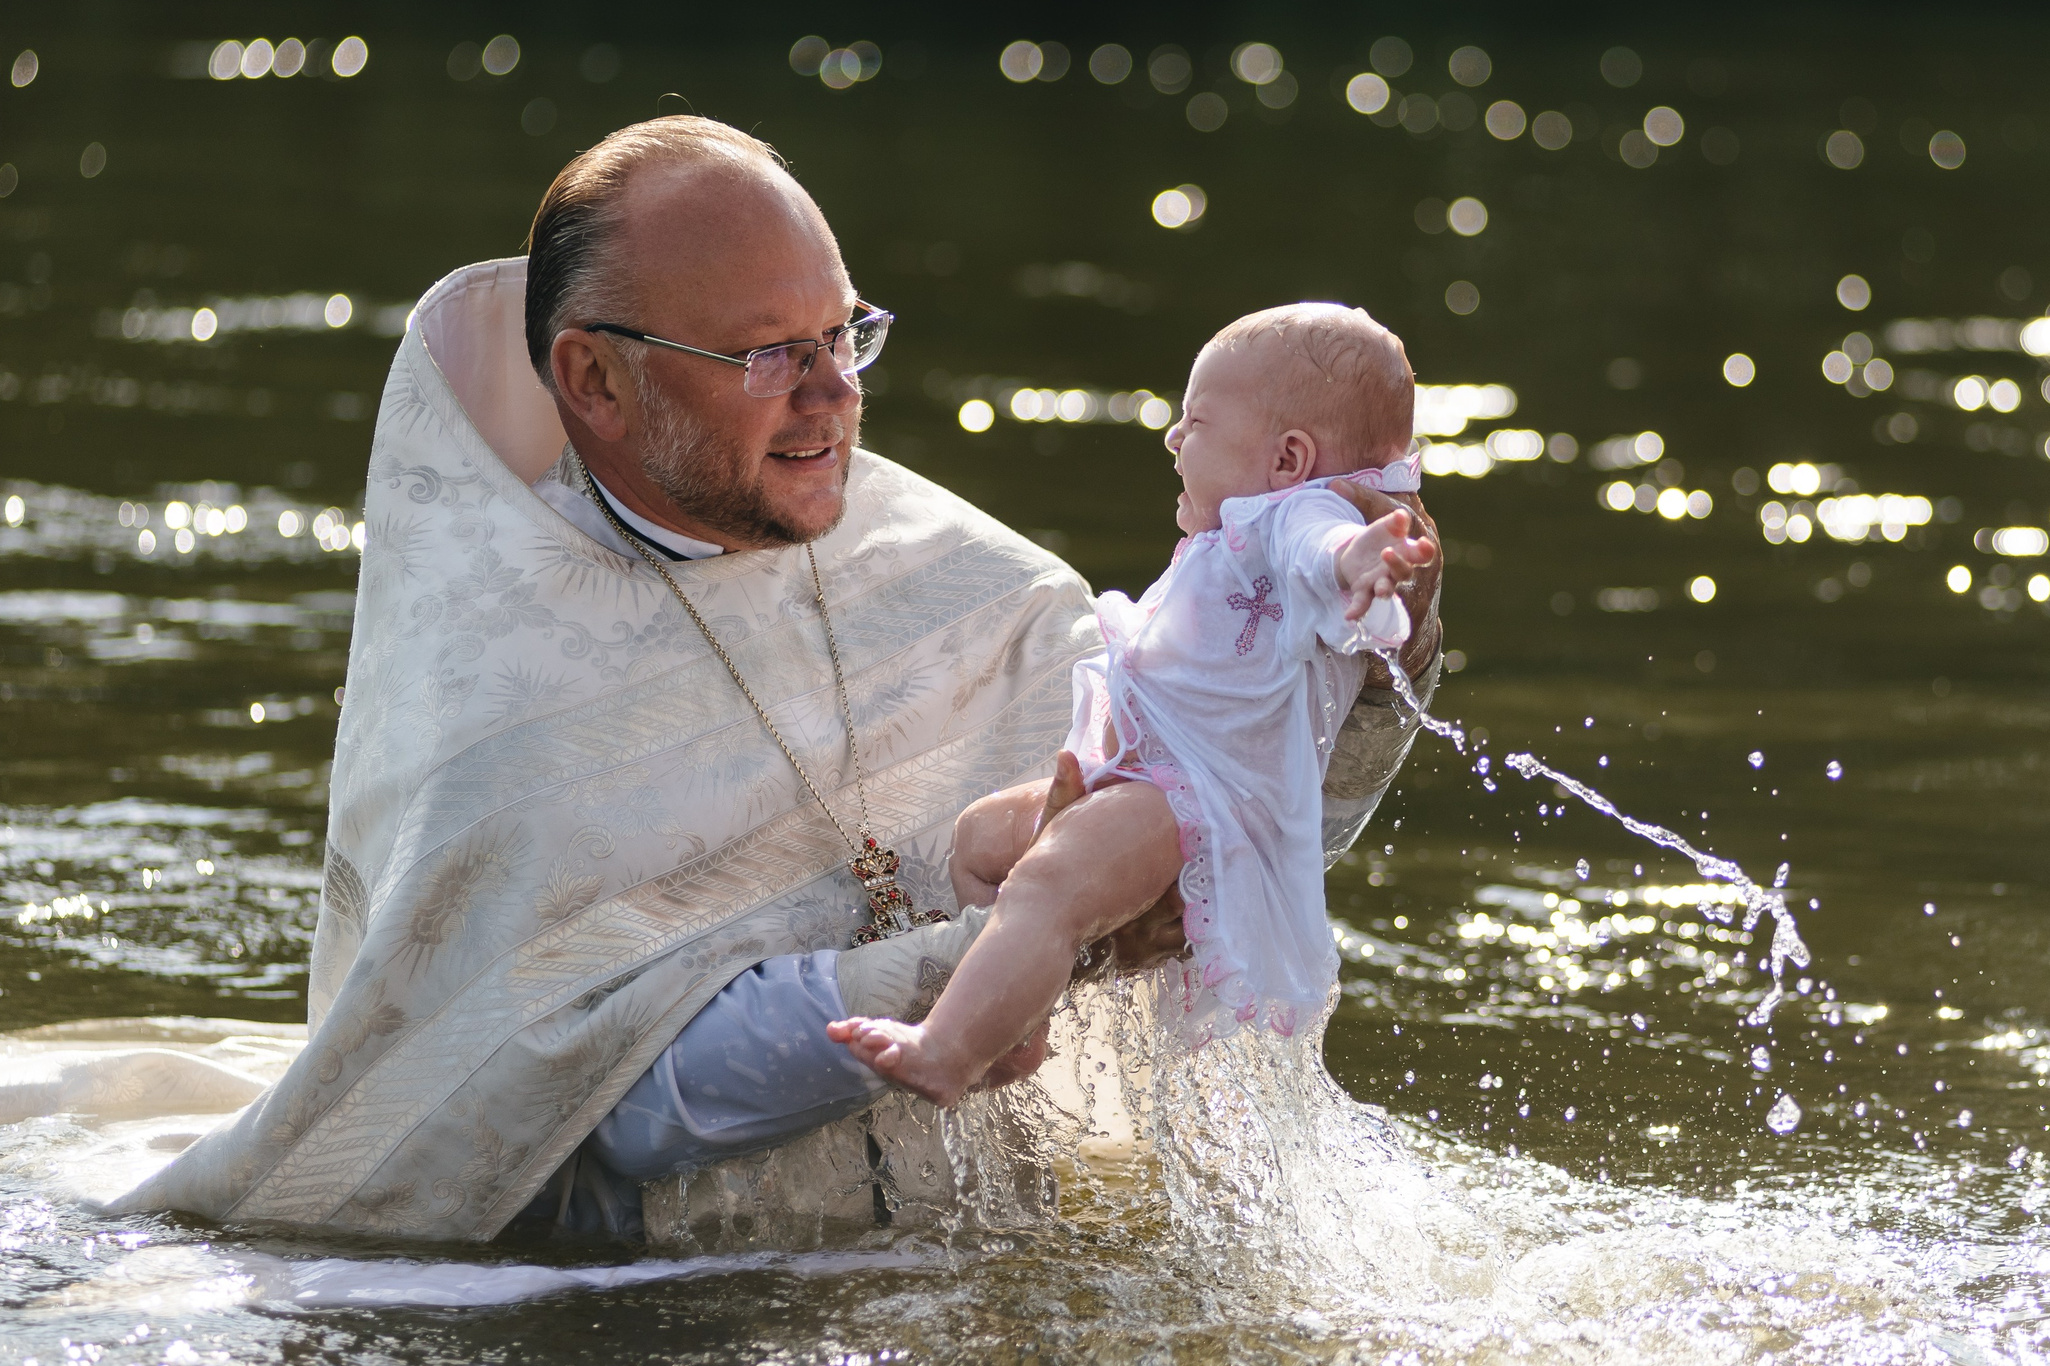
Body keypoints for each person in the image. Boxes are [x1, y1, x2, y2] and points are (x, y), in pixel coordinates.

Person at [108, 117, 1444, 1245]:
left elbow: (1254, 815)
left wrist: (1370, 660)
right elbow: (602, 1101)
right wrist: (984, 960)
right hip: (674, 1302)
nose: (828, 397)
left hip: (962, 1244)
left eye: (842, 334)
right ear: (594, 380)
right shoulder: (500, 700)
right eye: (767, 355)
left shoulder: (976, 589)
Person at [832, 306, 1435, 1105]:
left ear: (1289, 459)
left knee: (1046, 884)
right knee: (980, 840)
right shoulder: (1242, 530)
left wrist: (1360, 557)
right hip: (1146, 777)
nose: (1173, 439)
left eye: (1195, 421)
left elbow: (1321, 545)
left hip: (1198, 803)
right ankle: (1014, 1021)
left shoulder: (1297, 516)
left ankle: (946, 1051)